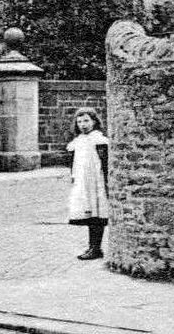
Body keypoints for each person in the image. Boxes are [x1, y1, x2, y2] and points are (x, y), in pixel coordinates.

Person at [67, 107, 110, 260]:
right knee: (89, 213)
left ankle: (96, 248)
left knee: (98, 213)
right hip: (83, 182)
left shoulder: (99, 141)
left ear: (94, 121)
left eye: (86, 121)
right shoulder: (77, 142)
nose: (82, 125)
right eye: (79, 122)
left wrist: (105, 183)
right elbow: (74, 164)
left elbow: (105, 164)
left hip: (96, 182)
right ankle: (93, 247)